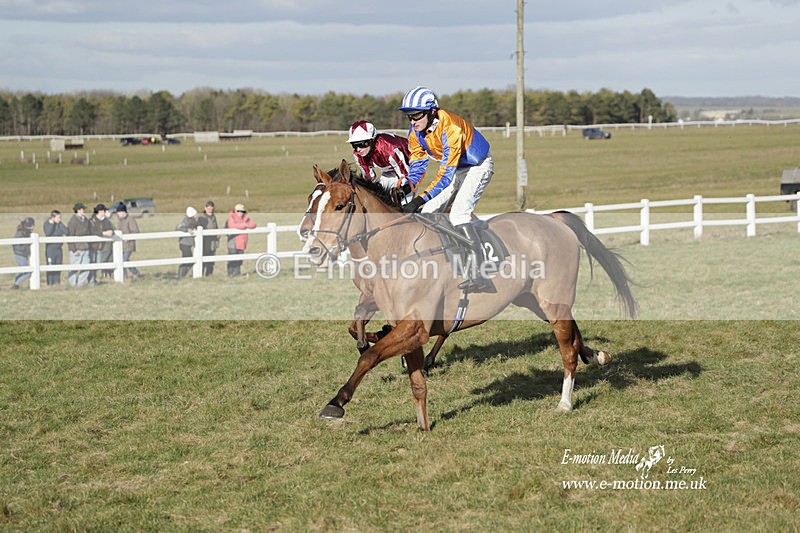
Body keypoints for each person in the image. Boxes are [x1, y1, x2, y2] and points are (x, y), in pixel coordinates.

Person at [398, 86, 495, 291]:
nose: (413, 121)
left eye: (416, 115)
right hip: (456, 169)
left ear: (432, 111)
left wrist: (419, 199)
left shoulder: (450, 127)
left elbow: (445, 176)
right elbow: (418, 165)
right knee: (428, 213)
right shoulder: (416, 132)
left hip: (477, 167)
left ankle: (480, 273)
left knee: (458, 215)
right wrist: (407, 187)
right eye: (409, 117)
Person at [347, 120, 414, 204]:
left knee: (402, 202)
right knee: (380, 199)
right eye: (354, 145)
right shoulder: (358, 154)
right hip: (389, 170)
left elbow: (405, 176)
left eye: (362, 144)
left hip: (410, 168)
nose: (358, 149)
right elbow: (369, 178)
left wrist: (402, 189)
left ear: (372, 140)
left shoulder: (389, 149)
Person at [225, 203, 256, 277]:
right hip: (233, 242)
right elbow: (232, 226)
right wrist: (243, 225)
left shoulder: (246, 218)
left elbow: (253, 224)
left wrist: (246, 225)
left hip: (242, 242)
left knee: (239, 259)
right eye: (238, 211)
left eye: (242, 211)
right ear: (235, 211)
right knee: (232, 258)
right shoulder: (231, 218)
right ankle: (230, 273)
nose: (240, 213)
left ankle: (237, 273)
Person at [88, 203, 115, 285]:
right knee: (93, 264)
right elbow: (92, 231)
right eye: (104, 211)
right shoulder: (91, 221)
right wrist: (103, 233)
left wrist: (111, 232)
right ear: (99, 211)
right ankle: (92, 281)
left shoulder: (106, 221)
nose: (105, 212)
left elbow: (112, 229)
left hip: (102, 246)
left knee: (99, 263)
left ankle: (95, 279)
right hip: (93, 246)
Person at [67, 202, 91, 287]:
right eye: (82, 209)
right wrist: (73, 249)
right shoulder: (72, 221)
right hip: (77, 248)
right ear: (78, 210)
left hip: (85, 247)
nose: (84, 211)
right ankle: (72, 283)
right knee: (74, 267)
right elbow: (70, 236)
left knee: (86, 267)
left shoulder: (86, 220)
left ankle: (80, 283)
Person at [115, 202, 140, 280]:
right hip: (121, 245)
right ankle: (123, 276)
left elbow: (135, 231)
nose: (117, 214)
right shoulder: (120, 220)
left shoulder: (131, 219)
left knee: (125, 260)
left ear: (123, 212)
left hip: (129, 245)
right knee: (121, 261)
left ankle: (135, 272)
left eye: (118, 212)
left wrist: (128, 238)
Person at [43, 210, 69, 286]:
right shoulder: (47, 224)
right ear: (52, 217)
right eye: (58, 218)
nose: (59, 219)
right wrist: (51, 224)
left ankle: (57, 283)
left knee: (58, 265)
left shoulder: (59, 224)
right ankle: (50, 283)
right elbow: (48, 232)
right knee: (51, 266)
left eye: (60, 218)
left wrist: (60, 223)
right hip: (50, 249)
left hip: (58, 248)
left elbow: (66, 231)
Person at [10, 217, 35, 290]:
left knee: (21, 269)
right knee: (28, 272)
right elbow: (16, 245)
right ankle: (16, 285)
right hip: (21, 255)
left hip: (22, 254)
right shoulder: (21, 233)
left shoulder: (26, 232)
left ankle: (16, 282)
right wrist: (25, 250)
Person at [196, 200, 219, 276]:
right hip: (205, 242)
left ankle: (209, 275)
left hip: (212, 243)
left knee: (211, 260)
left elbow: (216, 227)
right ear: (205, 208)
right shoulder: (201, 218)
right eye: (209, 209)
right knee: (203, 259)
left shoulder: (213, 217)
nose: (210, 210)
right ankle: (200, 274)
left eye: (212, 209)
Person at [176, 207, 199, 279]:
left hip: (188, 244)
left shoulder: (192, 221)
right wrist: (187, 230)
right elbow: (178, 228)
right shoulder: (185, 221)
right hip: (184, 244)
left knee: (190, 260)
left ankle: (182, 275)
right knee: (187, 260)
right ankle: (180, 275)